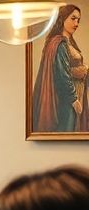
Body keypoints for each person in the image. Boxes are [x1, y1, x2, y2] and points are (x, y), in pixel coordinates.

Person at [32, 4, 88, 132]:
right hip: (66, 100)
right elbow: (61, 74)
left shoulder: (68, 42)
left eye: (78, 20)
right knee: (66, 131)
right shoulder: (59, 43)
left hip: (76, 95)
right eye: (73, 18)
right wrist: (74, 99)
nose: (76, 23)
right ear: (63, 18)